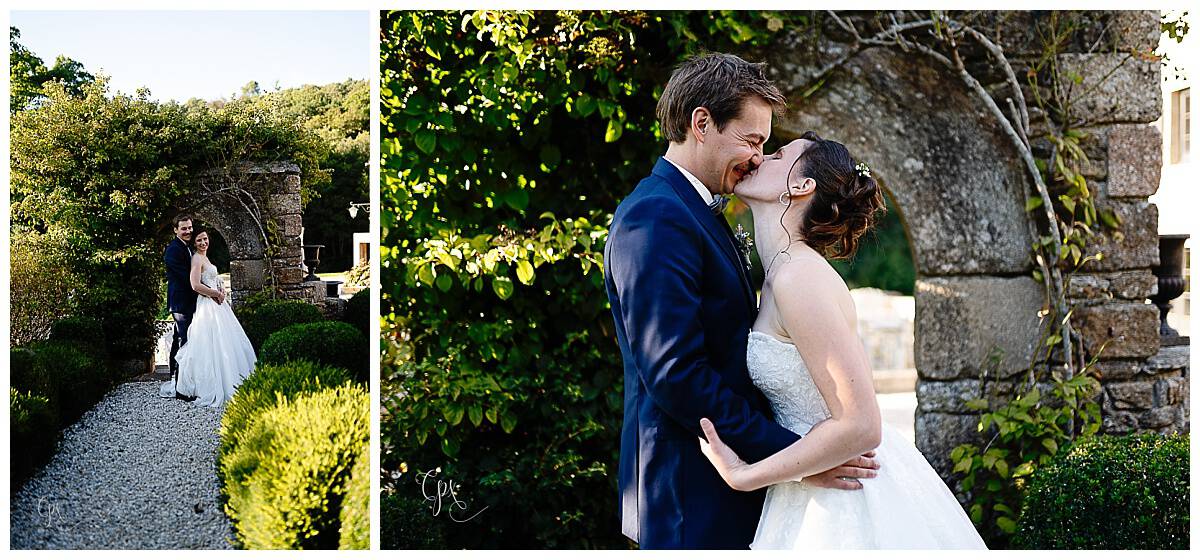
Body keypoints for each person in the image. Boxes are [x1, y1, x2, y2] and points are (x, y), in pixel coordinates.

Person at [603, 53, 879, 550]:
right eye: (752, 141)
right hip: (688, 488)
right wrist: (793, 456)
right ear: (702, 123)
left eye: (766, 147)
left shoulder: (702, 213)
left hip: (734, 485)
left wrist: (784, 465)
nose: (757, 157)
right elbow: (676, 374)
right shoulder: (656, 218)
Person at [696, 132, 987, 549]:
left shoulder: (800, 278)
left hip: (842, 499)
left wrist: (746, 475)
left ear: (801, 187)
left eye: (778, 155)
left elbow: (862, 424)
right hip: (807, 488)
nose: (760, 158)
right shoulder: (782, 274)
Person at [159, 229, 256, 407]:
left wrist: (221, 289)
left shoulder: (205, 257)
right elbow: (195, 284)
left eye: (205, 239)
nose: (203, 242)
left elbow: (212, 278)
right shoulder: (196, 258)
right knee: (202, 343)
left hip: (216, 304)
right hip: (206, 304)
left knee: (223, 342)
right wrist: (214, 294)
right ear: (194, 243)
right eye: (199, 240)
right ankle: (193, 385)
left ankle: (230, 377)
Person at [164, 214, 199, 401]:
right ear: (176, 230)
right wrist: (205, 290)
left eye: (190, 227)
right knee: (185, 342)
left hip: (188, 303)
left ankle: (180, 381)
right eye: (184, 228)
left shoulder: (186, 248)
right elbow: (187, 279)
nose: (188, 231)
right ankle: (181, 389)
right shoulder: (173, 250)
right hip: (181, 304)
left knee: (181, 340)